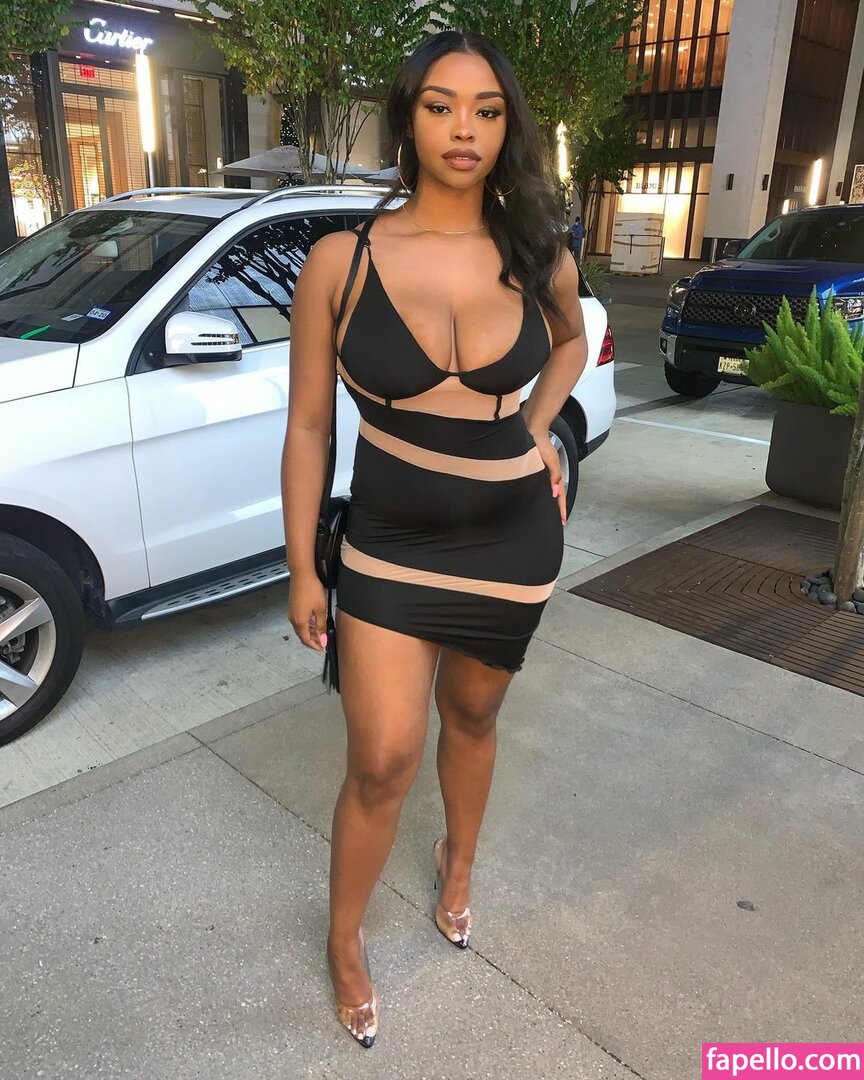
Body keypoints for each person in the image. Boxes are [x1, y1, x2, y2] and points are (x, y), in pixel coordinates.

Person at [281, 29, 588, 1049]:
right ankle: (344, 939)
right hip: (387, 544)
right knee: (382, 757)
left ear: (509, 127)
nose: (465, 128)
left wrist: (535, 427)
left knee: (472, 714)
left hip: (513, 539)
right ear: (407, 117)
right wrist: (301, 565)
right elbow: (310, 427)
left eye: (488, 110)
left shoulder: (536, 249)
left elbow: (575, 338)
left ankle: (460, 864)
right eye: (442, 106)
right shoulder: (343, 260)